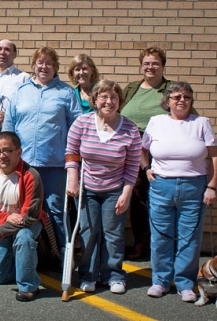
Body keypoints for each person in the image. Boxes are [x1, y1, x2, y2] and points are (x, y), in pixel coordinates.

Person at [142, 82, 217, 302]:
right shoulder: (156, 122)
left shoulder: (201, 123)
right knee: (161, 236)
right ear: (167, 101)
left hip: (193, 187)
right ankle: (160, 281)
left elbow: (214, 156)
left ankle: (185, 283)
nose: (182, 100)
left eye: (186, 96)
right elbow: (142, 148)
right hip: (161, 186)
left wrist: (211, 186)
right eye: (176, 96)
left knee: (189, 238)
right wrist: (147, 169)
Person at [2, 46, 81, 258]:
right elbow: (9, 126)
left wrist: (73, 162)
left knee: (56, 210)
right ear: (34, 65)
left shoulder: (66, 93)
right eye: (40, 62)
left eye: (49, 63)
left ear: (55, 67)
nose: (44, 66)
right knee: (21, 209)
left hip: (54, 165)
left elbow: (77, 129)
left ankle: (63, 253)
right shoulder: (21, 92)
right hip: (24, 165)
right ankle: (24, 252)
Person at [65, 79, 141, 294]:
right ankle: (88, 275)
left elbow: (133, 165)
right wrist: (72, 178)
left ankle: (114, 275)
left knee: (113, 234)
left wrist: (126, 193)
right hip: (87, 189)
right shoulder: (82, 122)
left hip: (115, 189)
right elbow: (71, 153)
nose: (109, 101)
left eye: (114, 97)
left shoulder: (130, 129)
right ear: (95, 100)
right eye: (104, 97)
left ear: (120, 101)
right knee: (89, 233)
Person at [0, 131, 46, 302]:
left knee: (24, 237)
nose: (1, 156)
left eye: (6, 151)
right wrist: (3, 218)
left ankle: (28, 286)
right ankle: (25, 263)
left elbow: (28, 218)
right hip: (0, 224)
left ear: (19, 152)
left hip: (26, 225)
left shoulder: (31, 175)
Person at [120, 45, 176, 260]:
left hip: (159, 150)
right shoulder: (132, 88)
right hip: (131, 148)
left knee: (160, 198)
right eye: (146, 63)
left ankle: (163, 245)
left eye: (155, 63)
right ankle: (142, 243)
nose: (150, 67)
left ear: (162, 66)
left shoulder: (170, 89)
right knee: (136, 197)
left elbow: (184, 114)